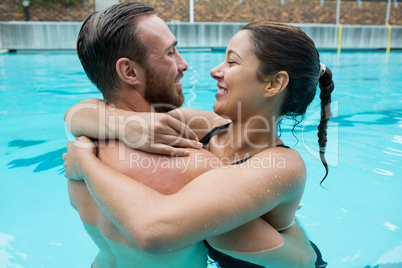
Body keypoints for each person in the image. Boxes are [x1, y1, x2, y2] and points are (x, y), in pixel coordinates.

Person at [64, 6, 333, 267]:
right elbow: (75, 114)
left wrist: (87, 165)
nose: (212, 71)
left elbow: (302, 260)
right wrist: (126, 124)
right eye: (171, 52)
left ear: (274, 84)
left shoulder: (85, 147)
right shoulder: (199, 141)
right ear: (129, 72)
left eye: (231, 61)